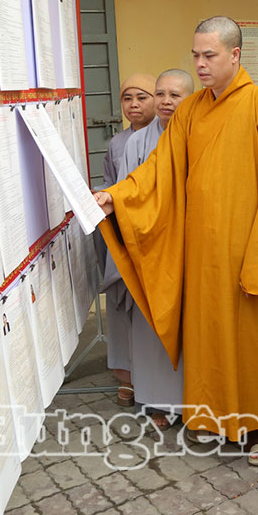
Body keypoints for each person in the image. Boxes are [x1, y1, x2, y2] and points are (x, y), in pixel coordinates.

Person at [93, 17, 258, 465]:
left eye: (210, 55)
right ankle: (220, 420)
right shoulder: (189, 111)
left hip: (247, 250)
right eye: (196, 55)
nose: (201, 64)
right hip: (201, 253)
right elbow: (159, 170)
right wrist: (117, 196)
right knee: (211, 340)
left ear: (235, 55)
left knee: (253, 342)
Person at [112, 69, 193, 429]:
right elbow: (127, 193)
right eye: (160, 94)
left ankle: (195, 401)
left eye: (175, 95)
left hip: (190, 248)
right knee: (151, 329)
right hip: (150, 248)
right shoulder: (136, 143)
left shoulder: (198, 134)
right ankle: (158, 402)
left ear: (190, 99)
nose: (166, 101)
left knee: (191, 329)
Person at [100, 73, 157, 406]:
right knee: (122, 306)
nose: (134, 105)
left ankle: (157, 381)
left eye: (142, 97)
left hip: (153, 236)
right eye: (127, 98)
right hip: (122, 233)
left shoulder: (169, 136)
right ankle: (127, 376)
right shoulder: (117, 143)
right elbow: (110, 183)